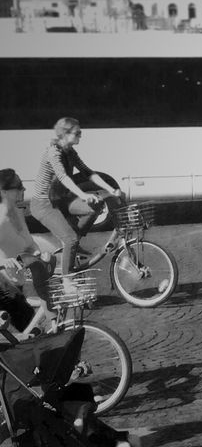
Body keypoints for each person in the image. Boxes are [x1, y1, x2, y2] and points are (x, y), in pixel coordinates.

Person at [27, 117, 123, 292]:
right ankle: (67, 280)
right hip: (44, 204)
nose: (81, 135)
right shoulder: (53, 152)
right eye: (77, 132)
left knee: (96, 207)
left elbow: (88, 172)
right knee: (70, 238)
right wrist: (83, 195)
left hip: (61, 200)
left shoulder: (69, 151)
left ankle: (72, 245)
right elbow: (63, 177)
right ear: (64, 134)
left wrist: (112, 189)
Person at [0, 169, 53, 333]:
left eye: (23, 186)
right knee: (33, 331)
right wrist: (1, 262)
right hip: (3, 286)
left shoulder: (17, 212)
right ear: (3, 191)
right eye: (18, 186)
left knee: (32, 331)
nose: (23, 190)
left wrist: (40, 254)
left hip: (16, 283)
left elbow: (28, 243)